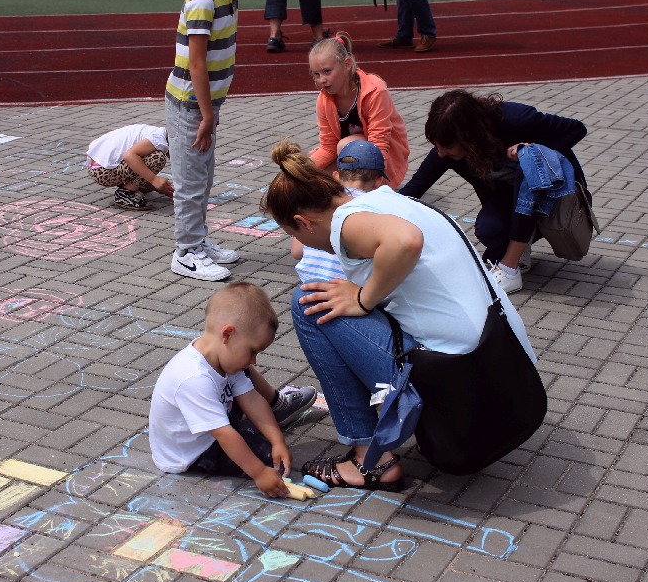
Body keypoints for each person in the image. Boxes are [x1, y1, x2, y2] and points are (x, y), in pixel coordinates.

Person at [260, 142, 536, 490]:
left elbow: (405, 241)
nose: (303, 246)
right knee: (338, 301)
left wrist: (363, 298)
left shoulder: (345, 223)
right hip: (503, 360)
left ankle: (369, 459)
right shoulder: (383, 199)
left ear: (303, 222)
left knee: (308, 303)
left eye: (295, 235)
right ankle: (410, 424)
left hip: (463, 373)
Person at [398, 89, 588, 294]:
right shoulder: (449, 149)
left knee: (528, 163)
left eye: (447, 146)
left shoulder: (517, 119)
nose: (441, 152)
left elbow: (577, 129)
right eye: (435, 144)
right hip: (514, 199)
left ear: (469, 137)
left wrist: (532, 148)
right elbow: (415, 188)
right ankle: (517, 245)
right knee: (488, 229)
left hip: (557, 197)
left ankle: (509, 267)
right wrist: (373, 207)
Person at [165, 0, 264, 281]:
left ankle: (199, 241)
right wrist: (206, 114)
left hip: (207, 106)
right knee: (190, 183)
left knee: (202, 179)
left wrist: (212, 110)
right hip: (190, 105)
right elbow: (196, 62)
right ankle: (185, 251)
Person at [149, 283, 306, 495]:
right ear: (228, 334)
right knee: (265, 457)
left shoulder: (222, 357)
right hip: (193, 453)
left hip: (207, 432)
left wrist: (277, 439)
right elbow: (224, 436)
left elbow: (252, 399)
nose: (254, 360)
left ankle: (260, 427)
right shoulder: (194, 377)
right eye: (252, 351)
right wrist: (259, 473)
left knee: (260, 427)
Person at [308, 32, 410, 187]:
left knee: (345, 145)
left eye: (327, 71)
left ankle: (366, 189)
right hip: (351, 157)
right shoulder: (324, 99)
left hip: (381, 157)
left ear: (347, 64)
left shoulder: (375, 90)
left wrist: (378, 185)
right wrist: (300, 169)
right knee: (314, 179)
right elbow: (328, 147)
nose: (321, 80)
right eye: (316, 74)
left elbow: (379, 143)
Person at [292, 138, 389, 281]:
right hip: (346, 291)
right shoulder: (379, 209)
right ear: (378, 182)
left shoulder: (317, 201)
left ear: (336, 176)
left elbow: (296, 252)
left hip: (308, 287)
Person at [85, 124, 174, 210]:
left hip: (98, 165)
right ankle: (125, 194)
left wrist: (156, 187)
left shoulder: (157, 132)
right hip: (102, 172)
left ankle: (136, 185)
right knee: (157, 158)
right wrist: (154, 179)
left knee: (145, 161)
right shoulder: (158, 139)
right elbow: (129, 156)